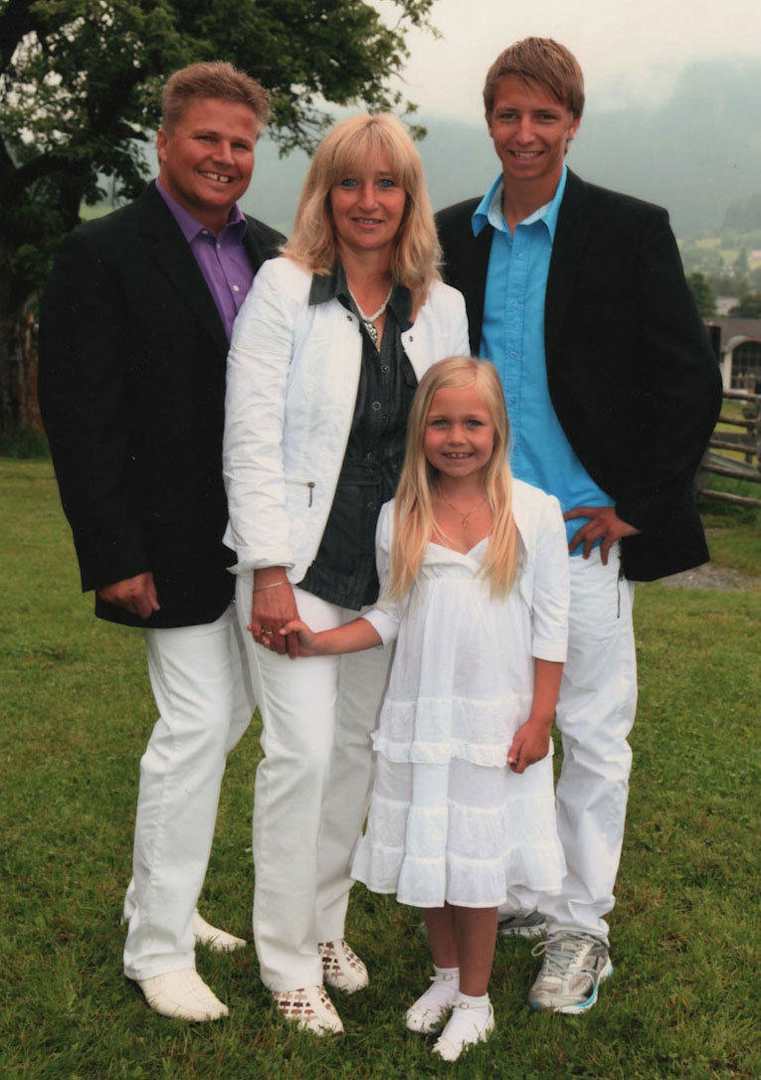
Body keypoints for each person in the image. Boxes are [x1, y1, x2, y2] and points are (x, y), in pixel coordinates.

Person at [435, 38, 723, 1012]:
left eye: (543, 116)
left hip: (579, 535)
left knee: (592, 731)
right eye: (507, 115)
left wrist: (636, 503)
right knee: (493, 725)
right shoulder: (451, 236)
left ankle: (581, 926)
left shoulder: (627, 230)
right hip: (476, 536)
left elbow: (687, 379)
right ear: (489, 121)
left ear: (572, 123)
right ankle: (522, 894)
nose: (524, 133)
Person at [38, 61, 283, 1022]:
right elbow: (81, 415)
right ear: (165, 140)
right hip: (163, 542)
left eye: (241, 143)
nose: (225, 156)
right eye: (207, 138)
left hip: (260, 540)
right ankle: (156, 952)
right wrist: (113, 554)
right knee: (195, 726)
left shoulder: (273, 254)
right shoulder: (101, 253)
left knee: (227, 721)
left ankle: (161, 903)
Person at [223, 113, 469, 1035]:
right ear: (323, 194)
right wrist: (267, 570)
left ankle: (323, 924)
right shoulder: (284, 287)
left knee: (357, 755)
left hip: (388, 572)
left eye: (387, 183)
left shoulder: (439, 305)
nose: (368, 201)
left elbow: (450, 440)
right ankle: (285, 961)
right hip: (294, 563)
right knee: (302, 756)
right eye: (349, 182)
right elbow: (249, 437)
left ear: (409, 198)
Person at [279, 357, 570, 1061]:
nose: (456, 438)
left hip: (495, 722)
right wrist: (320, 641)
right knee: (430, 852)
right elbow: (389, 615)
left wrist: (540, 718)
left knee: (474, 865)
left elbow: (552, 626)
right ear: (420, 431)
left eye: (472, 422)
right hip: (422, 717)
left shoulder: (534, 512)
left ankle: (476, 1000)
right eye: (440, 423)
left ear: (497, 430)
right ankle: (444, 977)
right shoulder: (399, 515)